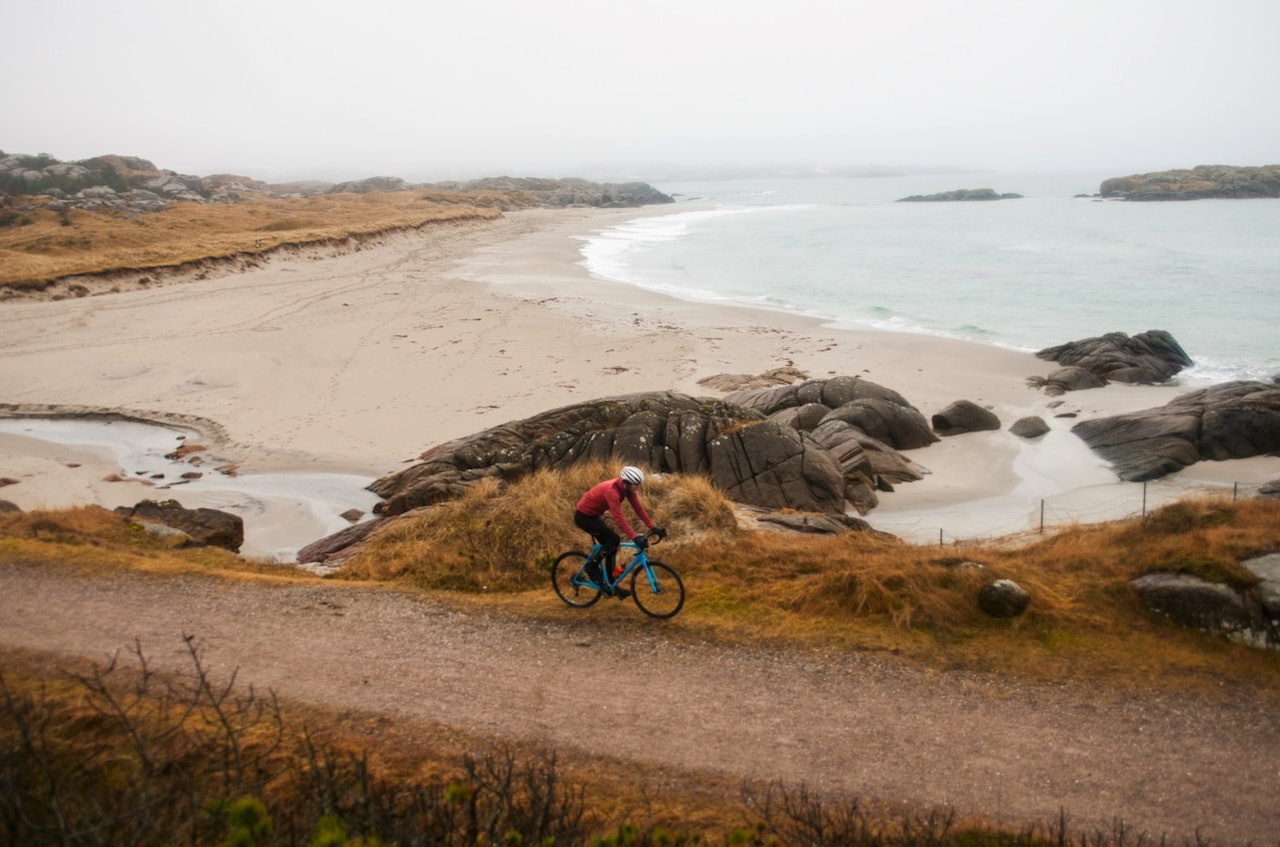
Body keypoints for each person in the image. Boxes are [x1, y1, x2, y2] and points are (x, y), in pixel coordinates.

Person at [574, 465, 665, 597]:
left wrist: (652, 527)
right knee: (614, 540)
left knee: (612, 547)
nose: (638, 487)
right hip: (583, 517)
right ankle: (591, 566)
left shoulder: (628, 490)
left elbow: (638, 509)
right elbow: (619, 518)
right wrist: (634, 537)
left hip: (594, 516)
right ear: (627, 483)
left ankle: (611, 585)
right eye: (636, 484)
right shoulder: (612, 491)